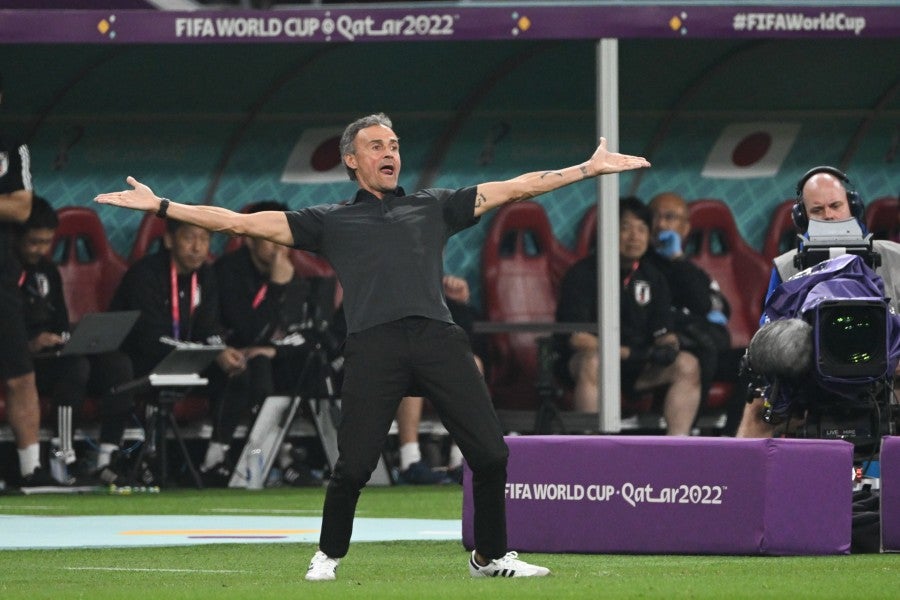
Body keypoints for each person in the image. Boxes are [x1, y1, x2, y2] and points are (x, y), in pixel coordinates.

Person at [95, 112, 650, 580]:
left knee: (492, 453)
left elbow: (519, 186)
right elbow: (237, 222)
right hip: (373, 345)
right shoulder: (329, 221)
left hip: (437, 337)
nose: (390, 152)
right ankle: (328, 554)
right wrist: (162, 207)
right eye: (376, 146)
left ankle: (490, 555)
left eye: (394, 145)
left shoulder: (434, 205)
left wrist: (588, 168)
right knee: (354, 465)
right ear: (352, 162)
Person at [736, 166, 900, 438]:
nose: (830, 216)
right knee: (756, 410)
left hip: (884, 374)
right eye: (817, 210)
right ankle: (736, 480)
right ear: (802, 217)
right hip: (813, 377)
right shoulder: (787, 267)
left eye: (836, 205)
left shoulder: (895, 257)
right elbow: (771, 331)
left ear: (853, 206)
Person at [108, 217, 250, 486]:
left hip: (187, 357)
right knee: (139, 363)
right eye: (190, 238)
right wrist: (205, 350)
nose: (198, 247)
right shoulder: (144, 274)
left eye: (205, 239)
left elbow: (209, 325)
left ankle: (214, 460)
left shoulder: (206, 275)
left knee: (235, 372)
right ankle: (133, 459)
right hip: (144, 356)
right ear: (169, 240)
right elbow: (147, 334)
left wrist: (220, 349)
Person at [555, 196, 701, 435]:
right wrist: (625, 352)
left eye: (642, 229)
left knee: (687, 364)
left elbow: (664, 331)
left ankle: (677, 448)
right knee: (593, 361)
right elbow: (577, 338)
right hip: (590, 363)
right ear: (608, 231)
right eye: (625, 228)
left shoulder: (653, 277)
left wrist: (668, 346)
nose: (634, 237)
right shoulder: (581, 274)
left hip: (638, 366)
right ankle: (592, 451)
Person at [16, 195, 136, 483]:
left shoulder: (48, 271)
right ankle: (63, 456)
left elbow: (58, 321)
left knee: (117, 365)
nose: (40, 249)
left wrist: (61, 338)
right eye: (34, 242)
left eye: (46, 242)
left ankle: (107, 457)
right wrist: (31, 342)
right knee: (74, 367)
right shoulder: (7, 270)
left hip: (53, 353)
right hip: (22, 358)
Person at [213, 200, 320, 486]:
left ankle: (321, 456)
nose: (277, 245)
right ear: (249, 238)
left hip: (275, 358)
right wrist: (275, 288)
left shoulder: (290, 272)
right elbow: (248, 332)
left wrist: (276, 349)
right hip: (230, 361)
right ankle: (273, 457)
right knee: (258, 365)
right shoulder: (228, 272)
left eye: (281, 235)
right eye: (269, 234)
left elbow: (303, 332)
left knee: (312, 361)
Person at [0, 72, 57, 487]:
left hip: (2, 280)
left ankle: (30, 470)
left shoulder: (10, 145)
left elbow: (21, 207)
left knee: (20, 375)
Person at [644, 191, 733, 409]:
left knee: (754, 365)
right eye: (654, 217)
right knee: (703, 352)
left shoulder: (688, 267)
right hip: (662, 346)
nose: (661, 224)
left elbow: (716, 306)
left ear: (685, 229)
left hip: (703, 343)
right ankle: (695, 438)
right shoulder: (640, 265)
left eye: (669, 217)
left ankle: (734, 438)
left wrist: (676, 259)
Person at [396, 274, 484, 485]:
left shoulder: (440, 289)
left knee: (472, 362)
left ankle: (460, 458)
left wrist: (459, 304)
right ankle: (409, 460)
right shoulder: (383, 278)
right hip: (393, 359)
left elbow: (465, 337)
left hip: (437, 359)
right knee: (411, 360)